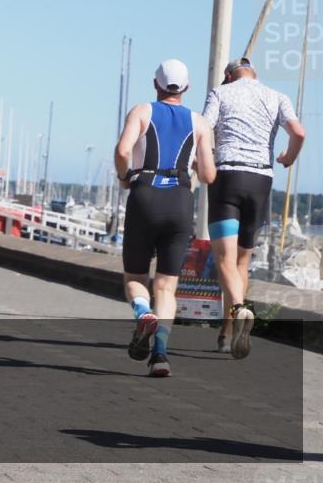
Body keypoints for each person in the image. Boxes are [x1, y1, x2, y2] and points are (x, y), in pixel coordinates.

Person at [114, 59, 216, 377]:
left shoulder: (142, 111)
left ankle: (143, 314)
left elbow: (122, 151)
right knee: (167, 287)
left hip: (145, 194)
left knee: (135, 277)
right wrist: (198, 168)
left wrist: (124, 177)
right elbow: (209, 174)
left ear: (155, 84)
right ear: (186, 88)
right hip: (179, 202)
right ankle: (160, 353)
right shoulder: (199, 123)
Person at [203, 57, 305, 358]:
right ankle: (227, 332)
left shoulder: (221, 93)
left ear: (228, 75)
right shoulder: (277, 96)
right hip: (260, 180)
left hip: (227, 177)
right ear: (254, 74)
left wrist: (203, 159)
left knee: (224, 259)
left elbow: (203, 128)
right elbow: (298, 133)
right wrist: (289, 157)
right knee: (242, 263)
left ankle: (239, 309)